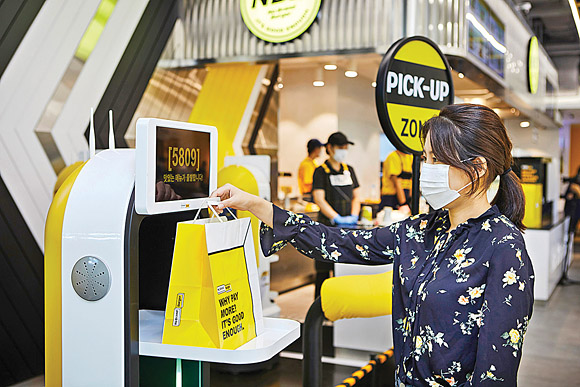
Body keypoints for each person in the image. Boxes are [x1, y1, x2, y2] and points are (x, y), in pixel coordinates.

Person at [211, 104, 534, 386]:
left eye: (437, 160)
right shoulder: (423, 229)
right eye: (425, 158)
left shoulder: (503, 246)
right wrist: (257, 205)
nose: (426, 170)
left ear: (476, 168)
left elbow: (498, 368)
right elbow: (340, 243)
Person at [311, 132, 361, 298]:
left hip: (347, 230)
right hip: (326, 228)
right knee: (324, 272)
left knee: (345, 270)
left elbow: (356, 196)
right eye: (340, 148)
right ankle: (320, 313)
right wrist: (335, 218)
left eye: (346, 148)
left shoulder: (349, 170)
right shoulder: (320, 171)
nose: (343, 151)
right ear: (330, 148)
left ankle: (342, 311)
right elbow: (319, 198)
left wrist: (353, 216)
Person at [381, 150, 413, 214]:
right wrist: (403, 203)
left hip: (405, 196)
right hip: (391, 198)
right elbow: (396, 183)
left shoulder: (410, 157)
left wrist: (410, 201)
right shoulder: (393, 156)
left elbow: (412, 180)